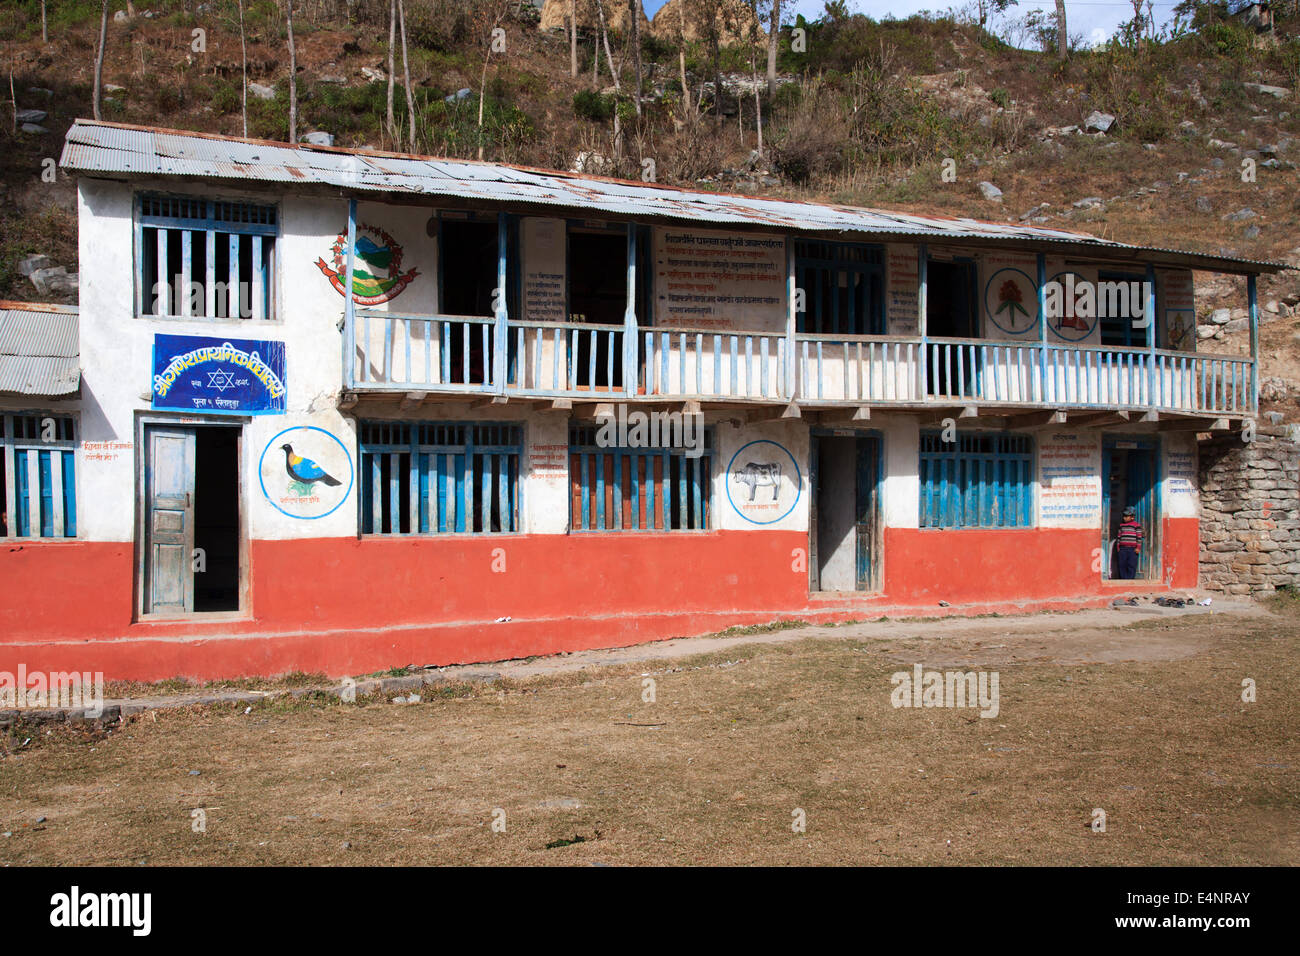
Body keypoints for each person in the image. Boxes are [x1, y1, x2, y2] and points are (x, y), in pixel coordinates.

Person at [1116, 506, 1144, 580]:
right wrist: (1118, 547)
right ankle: (1123, 579)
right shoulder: (1121, 526)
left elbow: (1139, 538)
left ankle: (1130, 579)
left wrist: (1138, 548)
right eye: (1124, 516)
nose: (1124, 518)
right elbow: (1119, 537)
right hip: (1122, 549)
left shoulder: (1136, 526)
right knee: (1122, 564)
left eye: (1126, 516)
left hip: (1132, 549)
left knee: (1131, 565)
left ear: (1132, 517)